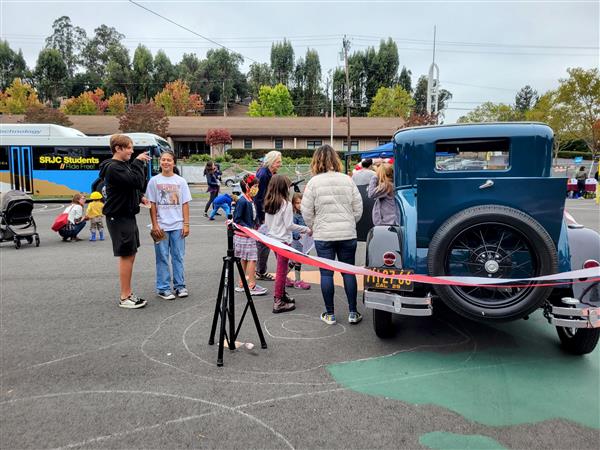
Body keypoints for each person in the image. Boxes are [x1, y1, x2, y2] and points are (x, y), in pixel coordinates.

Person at [301, 144, 363, 325]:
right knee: (348, 272)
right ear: (336, 160)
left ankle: (330, 314)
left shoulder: (313, 183)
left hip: (323, 235)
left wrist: (314, 226)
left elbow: (306, 211)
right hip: (347, 234)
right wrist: (350, 223)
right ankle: (353, 312)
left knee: (326, 274)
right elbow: (358, 208)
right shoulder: (347, 180)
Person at [99, 134, 151, 309]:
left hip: (126, 215)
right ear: (118, 149)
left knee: (131, 252)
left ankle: (128, 293)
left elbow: (130, 188)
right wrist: (138, 163)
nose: (132, 151)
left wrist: (140, 198)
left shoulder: (121, 166)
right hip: (119, 216)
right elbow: (137, 181)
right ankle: (124, 296)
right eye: (128, 147)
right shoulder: (114, 167)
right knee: (126, 255)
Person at [145, 150, 192, 300]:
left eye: (168, 160)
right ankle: (163, 288)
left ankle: (180, 286)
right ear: (160, 162)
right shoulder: (154, 181)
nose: (165, 162)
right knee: (162, 258)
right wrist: (155, 225)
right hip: (161, 227)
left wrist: (186, 224)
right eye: (163, 160)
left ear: (174, 162)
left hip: (178, 226)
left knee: (178, 257)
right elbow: (152, 204)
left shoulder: (180, 181)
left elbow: (185, 204)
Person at [265, 175, 310, 313]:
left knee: (282, 270)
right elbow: (289, 225)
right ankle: (278, 301)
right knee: (281, 272)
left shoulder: (269, 202)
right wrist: (307, 229)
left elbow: (267, 224)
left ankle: (282, 295)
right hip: (283, 242)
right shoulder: (285, 204)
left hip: (272, 240)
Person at [232, 174, 268, 296]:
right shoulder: (242, 201)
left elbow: (252, 217)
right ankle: (251, 285)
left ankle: (242, 283)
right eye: (255, 186)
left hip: (247, 235)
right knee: (252, 259)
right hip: (245, 236)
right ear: (247, 186)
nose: (256, 189)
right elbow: (237, 219)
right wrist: (249, 228)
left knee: (245, 259)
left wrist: (256, 225)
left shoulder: (249, 200)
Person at [255, 151, 283, 281]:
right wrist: (262, 217)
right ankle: (260, 271)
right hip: (264, 214)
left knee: (269, 242)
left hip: (270, 212)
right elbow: (259, 197)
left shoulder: (271, 173)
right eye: (278, 162)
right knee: (263, 243)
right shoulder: (264, 174)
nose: (280, 164)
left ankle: (262, 270)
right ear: (271, 162)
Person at [287, 192, 311, 290]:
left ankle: (283, 276)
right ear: (293, 204)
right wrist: (298, 235)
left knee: (296, 261)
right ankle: (297, 281)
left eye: (301, 203)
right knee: (297, 261)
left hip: (304, 242)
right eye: (297, 203)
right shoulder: (294, 215)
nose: (299, 205)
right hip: (297, 242)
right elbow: (292, 229)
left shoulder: (305, 214)